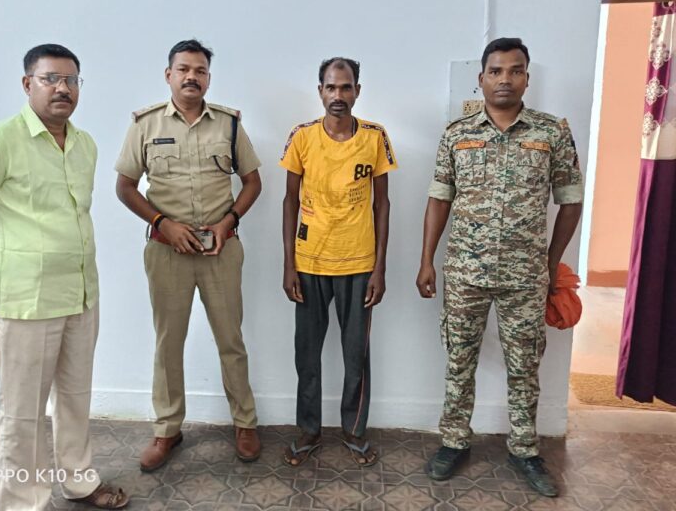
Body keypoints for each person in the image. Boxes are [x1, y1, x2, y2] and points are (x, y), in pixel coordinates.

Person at [0, 44, 128, 510]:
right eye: (50, 79)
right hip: (25, 301)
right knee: (23, 411)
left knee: (75, 398)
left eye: (71, 80)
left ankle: (79, 481)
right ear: (28, 84)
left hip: (81, 293)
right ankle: (24, 501)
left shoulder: (85, 145)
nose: (62, 88)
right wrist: (9, 261)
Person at [416, 37, 583, 497]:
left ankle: (525, 449)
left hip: (525, 276)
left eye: (515, 70)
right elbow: (439, 199)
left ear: (527, 77)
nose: (504, 79)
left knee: (525, 365)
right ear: (482, 78)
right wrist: (427, 260)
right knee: (458, 360)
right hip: (465, 273)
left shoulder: (551, 132)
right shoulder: (457, 134)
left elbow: (570, 201)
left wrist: (550, 263)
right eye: (496, 71)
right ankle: (453, 441)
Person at [115, 39, 262, 471]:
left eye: (199, 70)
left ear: (209, 79)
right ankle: (167, 430)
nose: (191, 77)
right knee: (168, 343)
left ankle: (245, 423)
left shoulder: (229, 125)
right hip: (167, 253)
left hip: (221, 250)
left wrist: (228, 222)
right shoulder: (145, 125)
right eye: (183, 69)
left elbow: (253, 182)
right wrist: (163, 223)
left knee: (231, 340)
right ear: (169, 75)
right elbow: (125, 187)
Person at [280, 57, 397, 467]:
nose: (338, 95)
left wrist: (380, 268)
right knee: (307, 353)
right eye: (331, 87)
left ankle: (353, 430)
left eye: (346, 87)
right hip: (310, 263)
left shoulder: (375, 138)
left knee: (355, 355)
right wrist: (288, 264)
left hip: (359, 263)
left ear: (357, 91)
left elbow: (382, 204)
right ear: (320, 91)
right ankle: (309, 430)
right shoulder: (302, 137)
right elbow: (289, 201)